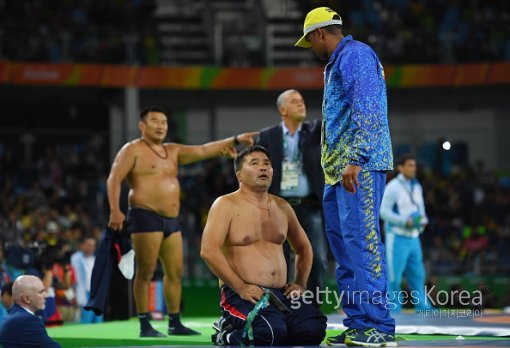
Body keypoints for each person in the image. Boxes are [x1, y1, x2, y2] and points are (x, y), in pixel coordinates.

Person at [107, 106, 257, 337]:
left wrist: (235, 139)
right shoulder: (132, 150)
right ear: (142, 126)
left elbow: (204, 149)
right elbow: (114, 178)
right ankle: (144, 324)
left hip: (172, 219)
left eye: (164, 122)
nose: (160, 126)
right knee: (146, 271)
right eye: (155, 121)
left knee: (175, 272)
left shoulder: (173, 151)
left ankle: (174, 322)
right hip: (144, 214)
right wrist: (115, 210)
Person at [295, 7, 396, 346]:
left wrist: (357, 158)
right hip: (338, 172)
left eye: (310, 41)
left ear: (319, 33)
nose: (311, 48)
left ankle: (379, 327)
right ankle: (358, 322)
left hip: (358, 168)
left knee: (363, 246)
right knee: (344, 249)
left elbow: (367, 106)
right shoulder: (339, 61)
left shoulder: (354, 55)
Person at [200, 145, 327, 346]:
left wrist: (300, 284)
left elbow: (304, 249)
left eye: (267, 164)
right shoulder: (225, 205)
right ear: (239, 174)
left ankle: (275, 326)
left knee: (313, 330)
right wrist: (240, 287)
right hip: (241, 294)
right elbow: (208, 250)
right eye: (254, 163)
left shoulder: (282, 207)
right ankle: (226, 331)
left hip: (281, 293)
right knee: (270, 332)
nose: (263, 168)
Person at [257, 89, 327, 304]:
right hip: (277, 206)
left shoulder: (315, 130)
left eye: (302, 101)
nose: (301, 104)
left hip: (308, 204)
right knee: (278, 259)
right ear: (282, 109)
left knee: (317, 258)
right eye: (295, 101)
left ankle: (312, 306)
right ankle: (280, 305)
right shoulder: (267, 135)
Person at [380, 155, 432, 313]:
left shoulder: (417, 186)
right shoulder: (393, 187)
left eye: (414, 165)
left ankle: (423, 308)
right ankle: (393, 310)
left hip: (414, 237)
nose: (413, 168)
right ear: (400, 168)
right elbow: (383, 211)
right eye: (409, 165)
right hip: (397, 237)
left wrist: (423, 220)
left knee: (418, 275)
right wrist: (404, 221)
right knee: (394, 276)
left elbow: (420, 208)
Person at [0, 275, 61, 348]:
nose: (46, 295)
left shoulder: (12, 316)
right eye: (41, 292)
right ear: (26, 299)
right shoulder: (27, 321)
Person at [71, 236, 103, 323]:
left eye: (93, 245)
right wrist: (73, 294)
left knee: (98, 319)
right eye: (88, 245)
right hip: (83, 293)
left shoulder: (95, 259)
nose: (91, 248)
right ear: (82, 245)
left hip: (96, 294)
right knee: (86, 321)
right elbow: (73, 278)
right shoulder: (75, 258)